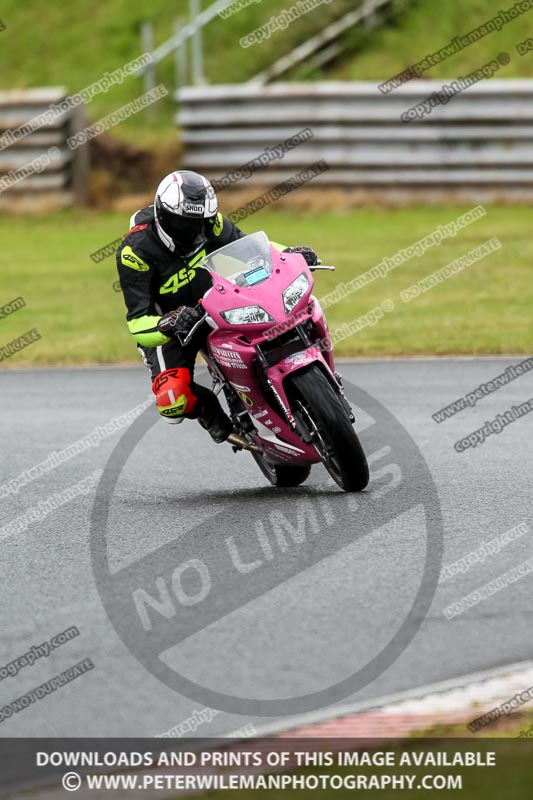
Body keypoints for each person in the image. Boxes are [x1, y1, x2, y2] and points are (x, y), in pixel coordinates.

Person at [116, 170, 319, 443]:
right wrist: (168, 322)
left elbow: (253, 249)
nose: (193, 231)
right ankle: (209, 410)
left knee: (276, 314)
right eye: (183, 224)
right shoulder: (135, 252)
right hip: (169, 325)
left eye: (200, 222)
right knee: (172, 402)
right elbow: (137, 323)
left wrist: (288, 254)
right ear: (163, 215)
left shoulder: (211, 223)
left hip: (215, 302)